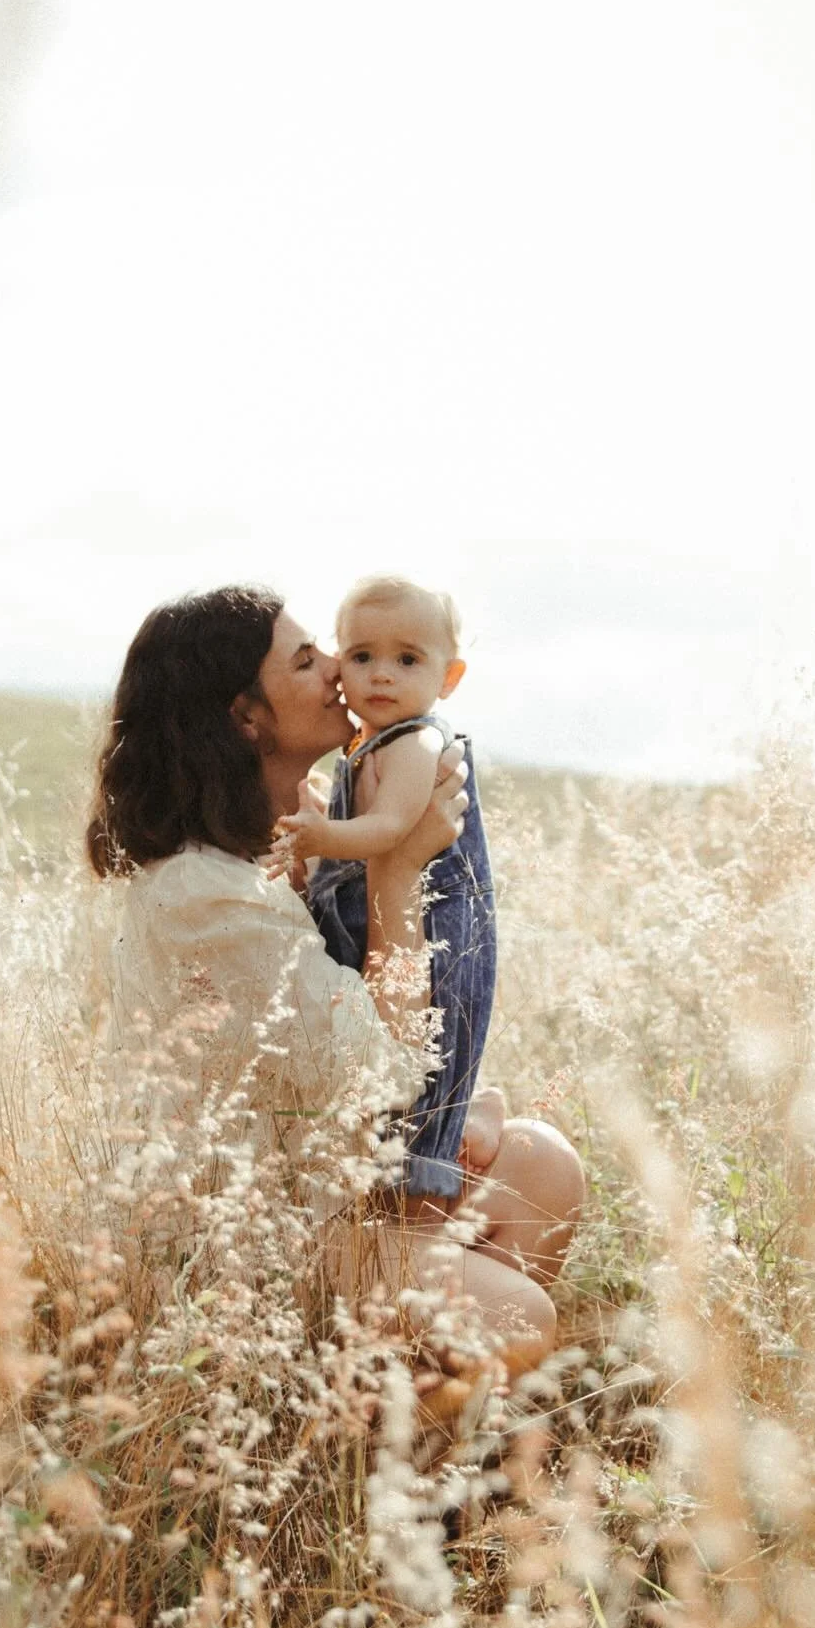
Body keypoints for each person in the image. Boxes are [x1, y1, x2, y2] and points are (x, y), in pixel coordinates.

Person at [86, 585, 584, 1378]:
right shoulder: (205, 895)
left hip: (336, 1184)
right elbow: (384, 1077)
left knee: (544, 1164)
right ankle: (354, 1422)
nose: (339, 674)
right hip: (248, 1237)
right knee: (515, 1317)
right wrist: (396, 871)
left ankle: (407, 1414)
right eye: (307, 659)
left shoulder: (298, 834)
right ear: (247, 716)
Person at [272, 575, 492, 1208]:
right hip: (369, 913)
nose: (382, 675)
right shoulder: (365, 745)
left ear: (448, 679)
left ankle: (434, 1161)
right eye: (362, 656)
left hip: (433, 927)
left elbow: (391, 830)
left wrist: (322, 835)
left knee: (426, 1066)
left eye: (407, 659)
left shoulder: (417, 743)